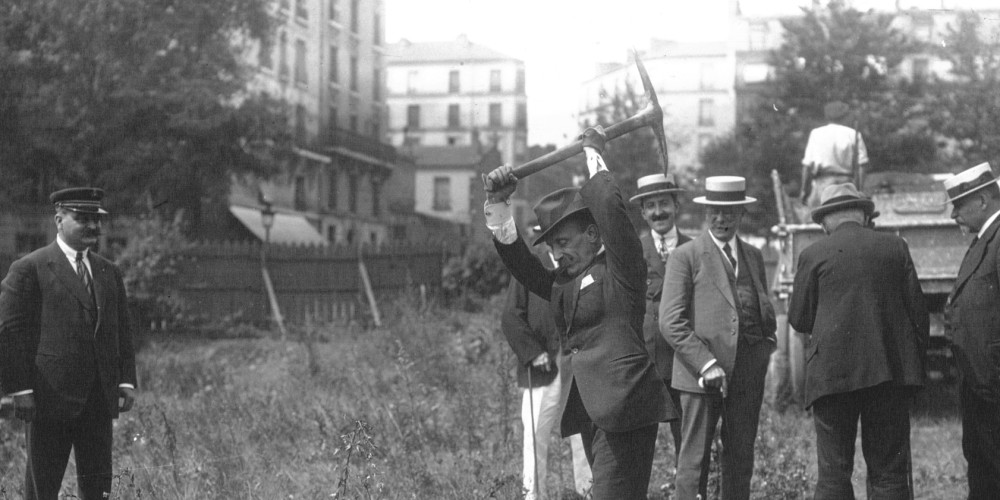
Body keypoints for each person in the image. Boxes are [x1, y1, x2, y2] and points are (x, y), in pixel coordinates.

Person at [483, 126, 676, 499]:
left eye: (565, 242)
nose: (558, 253)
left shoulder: (623, 268)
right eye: (553, 245)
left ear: (593, 235)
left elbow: (611, 211)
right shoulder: (562, 284)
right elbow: (520, 263)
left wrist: (594, 156)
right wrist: (499, 204)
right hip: (590, 410)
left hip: (626, 407)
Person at [787, 182, 928, 499]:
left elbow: (798, 319)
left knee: (834, 475)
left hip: (831, 378)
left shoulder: (812, 253)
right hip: (888, 374)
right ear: (866, 216)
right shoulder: (895, 247)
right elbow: (918, 314)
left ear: (825, 222)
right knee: (890, 473)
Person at [0, 187, 137, 500]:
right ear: (59, 220)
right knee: (42, 490)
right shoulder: (29, 268)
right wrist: (20, 390)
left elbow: (121, 331)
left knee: (98, 490)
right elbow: (8, 335)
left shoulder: (108, 271)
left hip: (98, 401)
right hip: (47, 400)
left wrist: (126, 380)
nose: (93, 226)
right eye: (82, 218)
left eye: (96, 219)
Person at [659, 176, 777, 500]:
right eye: (715, 212)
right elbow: (670, 321)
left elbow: (761, 308)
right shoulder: (686, 255)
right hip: (700, 376)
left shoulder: (752, 255)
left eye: (729, 212)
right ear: (705, 213)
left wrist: (765, 349)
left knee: (740, 456)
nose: (722, 219)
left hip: (745, 376)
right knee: (694, 460)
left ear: (741, 214)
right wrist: (706, 363)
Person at [500, 222, 592, 500]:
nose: (559, 246)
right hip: (543, 370)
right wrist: (534, 353)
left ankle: (588, 492)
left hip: (579, 369)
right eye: (553, 240)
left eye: (564, 238)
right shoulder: (530, 271)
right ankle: (533, 495)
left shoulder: (583, 268)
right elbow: (511, 317)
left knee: (583, 435)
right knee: (535, 436)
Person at [941, 162, 1000, 499]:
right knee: (984, 465)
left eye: (959, 205)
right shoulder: (985, 240)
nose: (953, 216)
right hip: (983, 383)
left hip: (993, 382)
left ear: (982, 200)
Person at [629, 173, 690, 473]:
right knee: (639, 450)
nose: (658, 212)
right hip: (647, 366)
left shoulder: (696, 249)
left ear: (676, 205)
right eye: (650, 206)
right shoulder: (633, 253)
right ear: (642, 213)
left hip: (686, 364)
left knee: (689, 448)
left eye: (664, 203)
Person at [800, 101, 869, 207]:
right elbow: (862, 165)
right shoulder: (853, 134)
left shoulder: (816, 134)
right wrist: (859, 190)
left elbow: (807, 166)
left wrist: (804, 191)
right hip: (846, 185)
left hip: (823, 185)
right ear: (844, 116)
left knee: (817, 216)